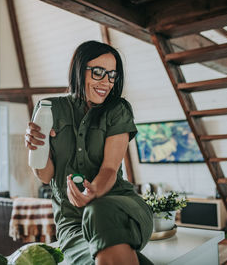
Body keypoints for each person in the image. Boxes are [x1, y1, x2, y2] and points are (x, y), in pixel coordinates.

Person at [25, 40, 153, 265]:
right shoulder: (49, 109)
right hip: (72, 222)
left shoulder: (117, 110)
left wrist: (93, 193)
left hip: (119, 206)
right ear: (79, 70)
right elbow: (45, 176)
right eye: (98, 72)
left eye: (112, 75)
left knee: (98, 211)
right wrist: (37, 146)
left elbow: (110, 168)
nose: (106, 82)